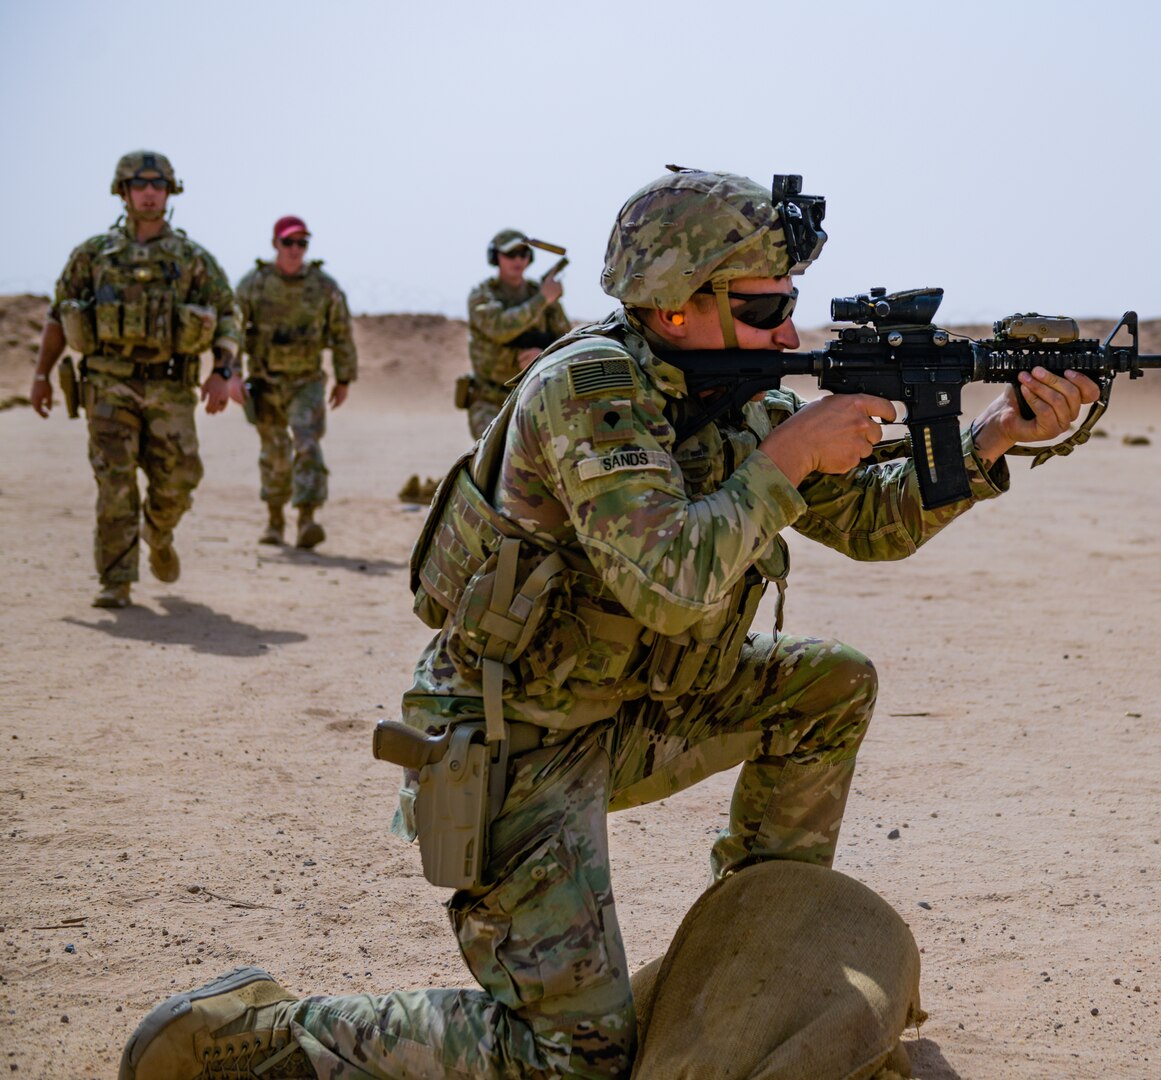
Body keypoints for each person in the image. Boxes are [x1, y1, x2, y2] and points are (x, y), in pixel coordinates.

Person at [119, 168, 1099, 1080]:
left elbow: (875, 523)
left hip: (633, 712)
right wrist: (793, 454)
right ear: (677, 305)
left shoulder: (738, 398)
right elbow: (670, 583)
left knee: (826, 683)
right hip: (513, 748)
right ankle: (277, 1035)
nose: (789, 332)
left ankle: (750, 951)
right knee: (577, 1062)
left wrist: (998, 433)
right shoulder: (586, 394)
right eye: (765, 309)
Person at [29, 150, 240, 609]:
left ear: (169, 192)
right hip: (107, 384)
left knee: (180, 479)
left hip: (170, 386)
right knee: (115, 482)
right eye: (140, 185)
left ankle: (158, 533)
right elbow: (57, 314)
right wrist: (41, 375)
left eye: (158, 185)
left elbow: (227, 314)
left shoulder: (192, 258)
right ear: (123, 192)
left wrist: (224, 371)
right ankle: (116, 579)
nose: (149, 193)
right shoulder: (94, 255)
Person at [235, 215, 358, 548]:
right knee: (274, 451)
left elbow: (342, 333)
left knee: (306, 443)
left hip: (306, 382)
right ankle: (275, 521)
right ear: (275, 244)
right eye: (288, 242)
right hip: (264, 382)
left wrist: (344, 377)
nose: (295, 249)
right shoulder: (254, 285)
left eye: (301, 243)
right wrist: (230, 373)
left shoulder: (323, 286)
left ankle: (307, 519)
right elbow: (230, 331)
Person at [462, 228, 570, 438]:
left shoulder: (538, 293)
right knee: (493, 463)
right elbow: (500, 328)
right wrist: (543, 299)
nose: (518, 260)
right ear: (496, 257)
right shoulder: (482, 296)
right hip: (491, 402)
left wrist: (543, 355)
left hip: (535, 397)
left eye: (523, 254)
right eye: (510, 254)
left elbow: (566, 341)